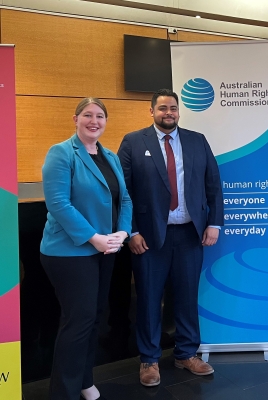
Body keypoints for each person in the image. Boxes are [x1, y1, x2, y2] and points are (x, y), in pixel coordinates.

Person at [118, 88, 223, 387]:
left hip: (190, 234)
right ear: (151, 111)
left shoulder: (197, 140)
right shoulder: (133, 142)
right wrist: (132, 232)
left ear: (179, 111)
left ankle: (187, 353)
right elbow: (123, 193)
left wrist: (214, 223)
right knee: (149, 298)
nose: (169, 113)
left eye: (173, 108)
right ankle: (149, 360)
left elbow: (213, 184)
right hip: (148, 238)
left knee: (188, 297)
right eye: (162, 108)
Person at [40, 97, 132, 400]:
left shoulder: (110, 156)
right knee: (77, 322)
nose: (95, 121)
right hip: (69, 252)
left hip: (104, 249)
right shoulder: (62, 153)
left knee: (94, 317)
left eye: (100, 116)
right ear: (75, 119)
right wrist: (94, 237)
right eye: (88, 115)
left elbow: (126, 200)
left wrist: (122, 231)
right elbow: (58, 204)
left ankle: (83, 379)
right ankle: (63, 392)